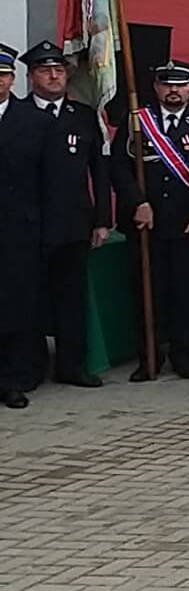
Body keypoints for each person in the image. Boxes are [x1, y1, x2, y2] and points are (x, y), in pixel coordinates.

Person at [112, 60, 189, 382]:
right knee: (148, 293)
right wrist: (138, 202)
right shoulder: (135, 121)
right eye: (167, 84)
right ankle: (149, 357)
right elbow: (118, 168)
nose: (174, 90)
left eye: (181, 85)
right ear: (157, 87)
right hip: (147, 224)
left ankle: (183, 355)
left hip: (188, 224)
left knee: (186, 292)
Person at [21, 41, 110, 389]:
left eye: (59, 70)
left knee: (72, 299)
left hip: (74, 223)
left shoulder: (84, 116)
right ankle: (31, 367)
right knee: (30, 297)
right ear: (31, 77)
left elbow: (99, 172)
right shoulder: (19, 113)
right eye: (45, 70)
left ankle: (72, 366)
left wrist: (102, 219)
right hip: (29, 225)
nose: (54, 76)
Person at [0, 44, 47, 409]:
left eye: (2, 75)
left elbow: (51, 180)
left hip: (19, 229)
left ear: (12, 79)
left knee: (17, 305)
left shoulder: (34, 120)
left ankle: (13, 380)